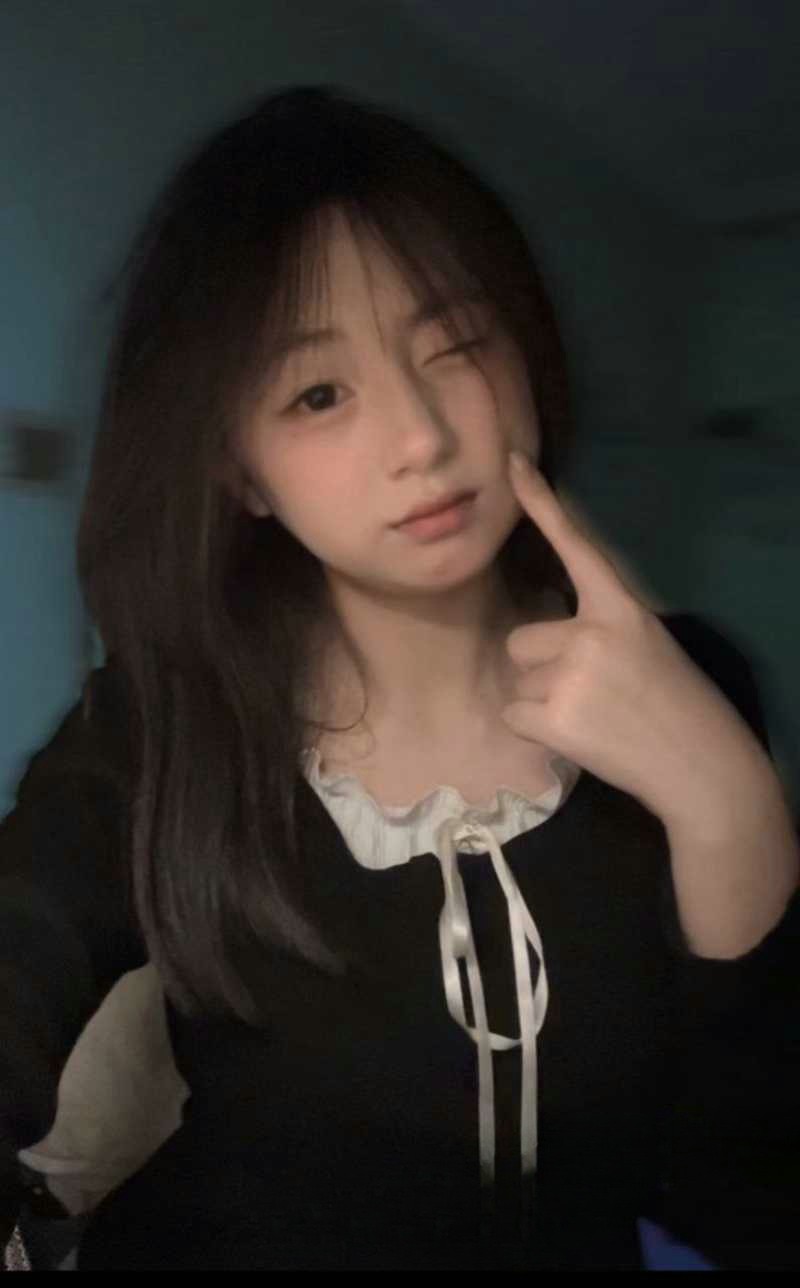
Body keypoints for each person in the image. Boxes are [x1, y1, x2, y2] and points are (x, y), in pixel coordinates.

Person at [1, 84, 799, 1272]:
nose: (421, 435)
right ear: (241, 470)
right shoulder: (161, 727)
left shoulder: (695, 690)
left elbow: (751, 1199)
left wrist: (731, 813)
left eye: (457, 344)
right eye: (318, 393)